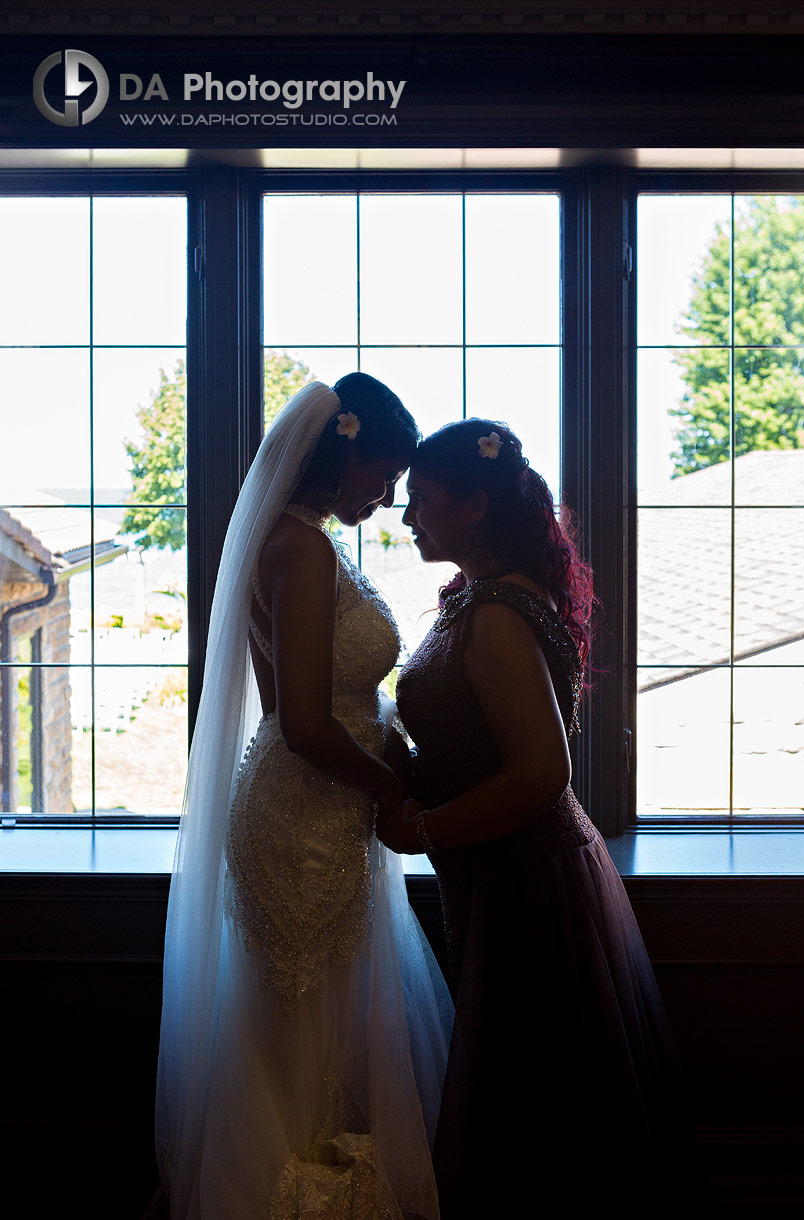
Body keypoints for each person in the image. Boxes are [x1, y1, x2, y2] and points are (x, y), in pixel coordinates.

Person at [376, 419, 701, 1220]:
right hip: (503, 874)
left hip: (528, 886)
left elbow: (539, 775)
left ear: (476, 504)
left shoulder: (495, 616)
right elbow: (473, 745)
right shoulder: (480, 599)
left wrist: (418, 830)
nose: (408, 516)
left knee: (539, 1114)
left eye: (423, 500)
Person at [156, 375, 452, 1220]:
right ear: (341, 453)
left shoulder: (294, 541)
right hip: (306, 813)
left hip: (316, 807)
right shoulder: (303, 549)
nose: (387, 497)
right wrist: (398, 786)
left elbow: (306, 705)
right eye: (382, 475)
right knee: (298, 1018)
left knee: (313, 1017)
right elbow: (306, 728)